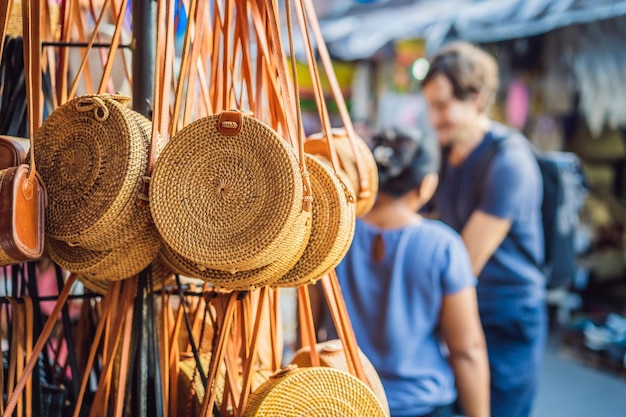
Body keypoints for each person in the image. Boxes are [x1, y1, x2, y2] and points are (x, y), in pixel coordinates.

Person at [421, 41, 547, 417]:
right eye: (430, 106)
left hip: (505, 320)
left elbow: (464, 262)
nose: (434, 118)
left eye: (443, 106)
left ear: (476, 98)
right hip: (464, 311)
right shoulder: (447, 153)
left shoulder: (509, 163)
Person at [327, 127, 490, 417]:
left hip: (346, 400)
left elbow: (311, 331)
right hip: (422, 403)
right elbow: (466, 349)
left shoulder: (335, 234)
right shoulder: (444, 246)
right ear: (427, 184)